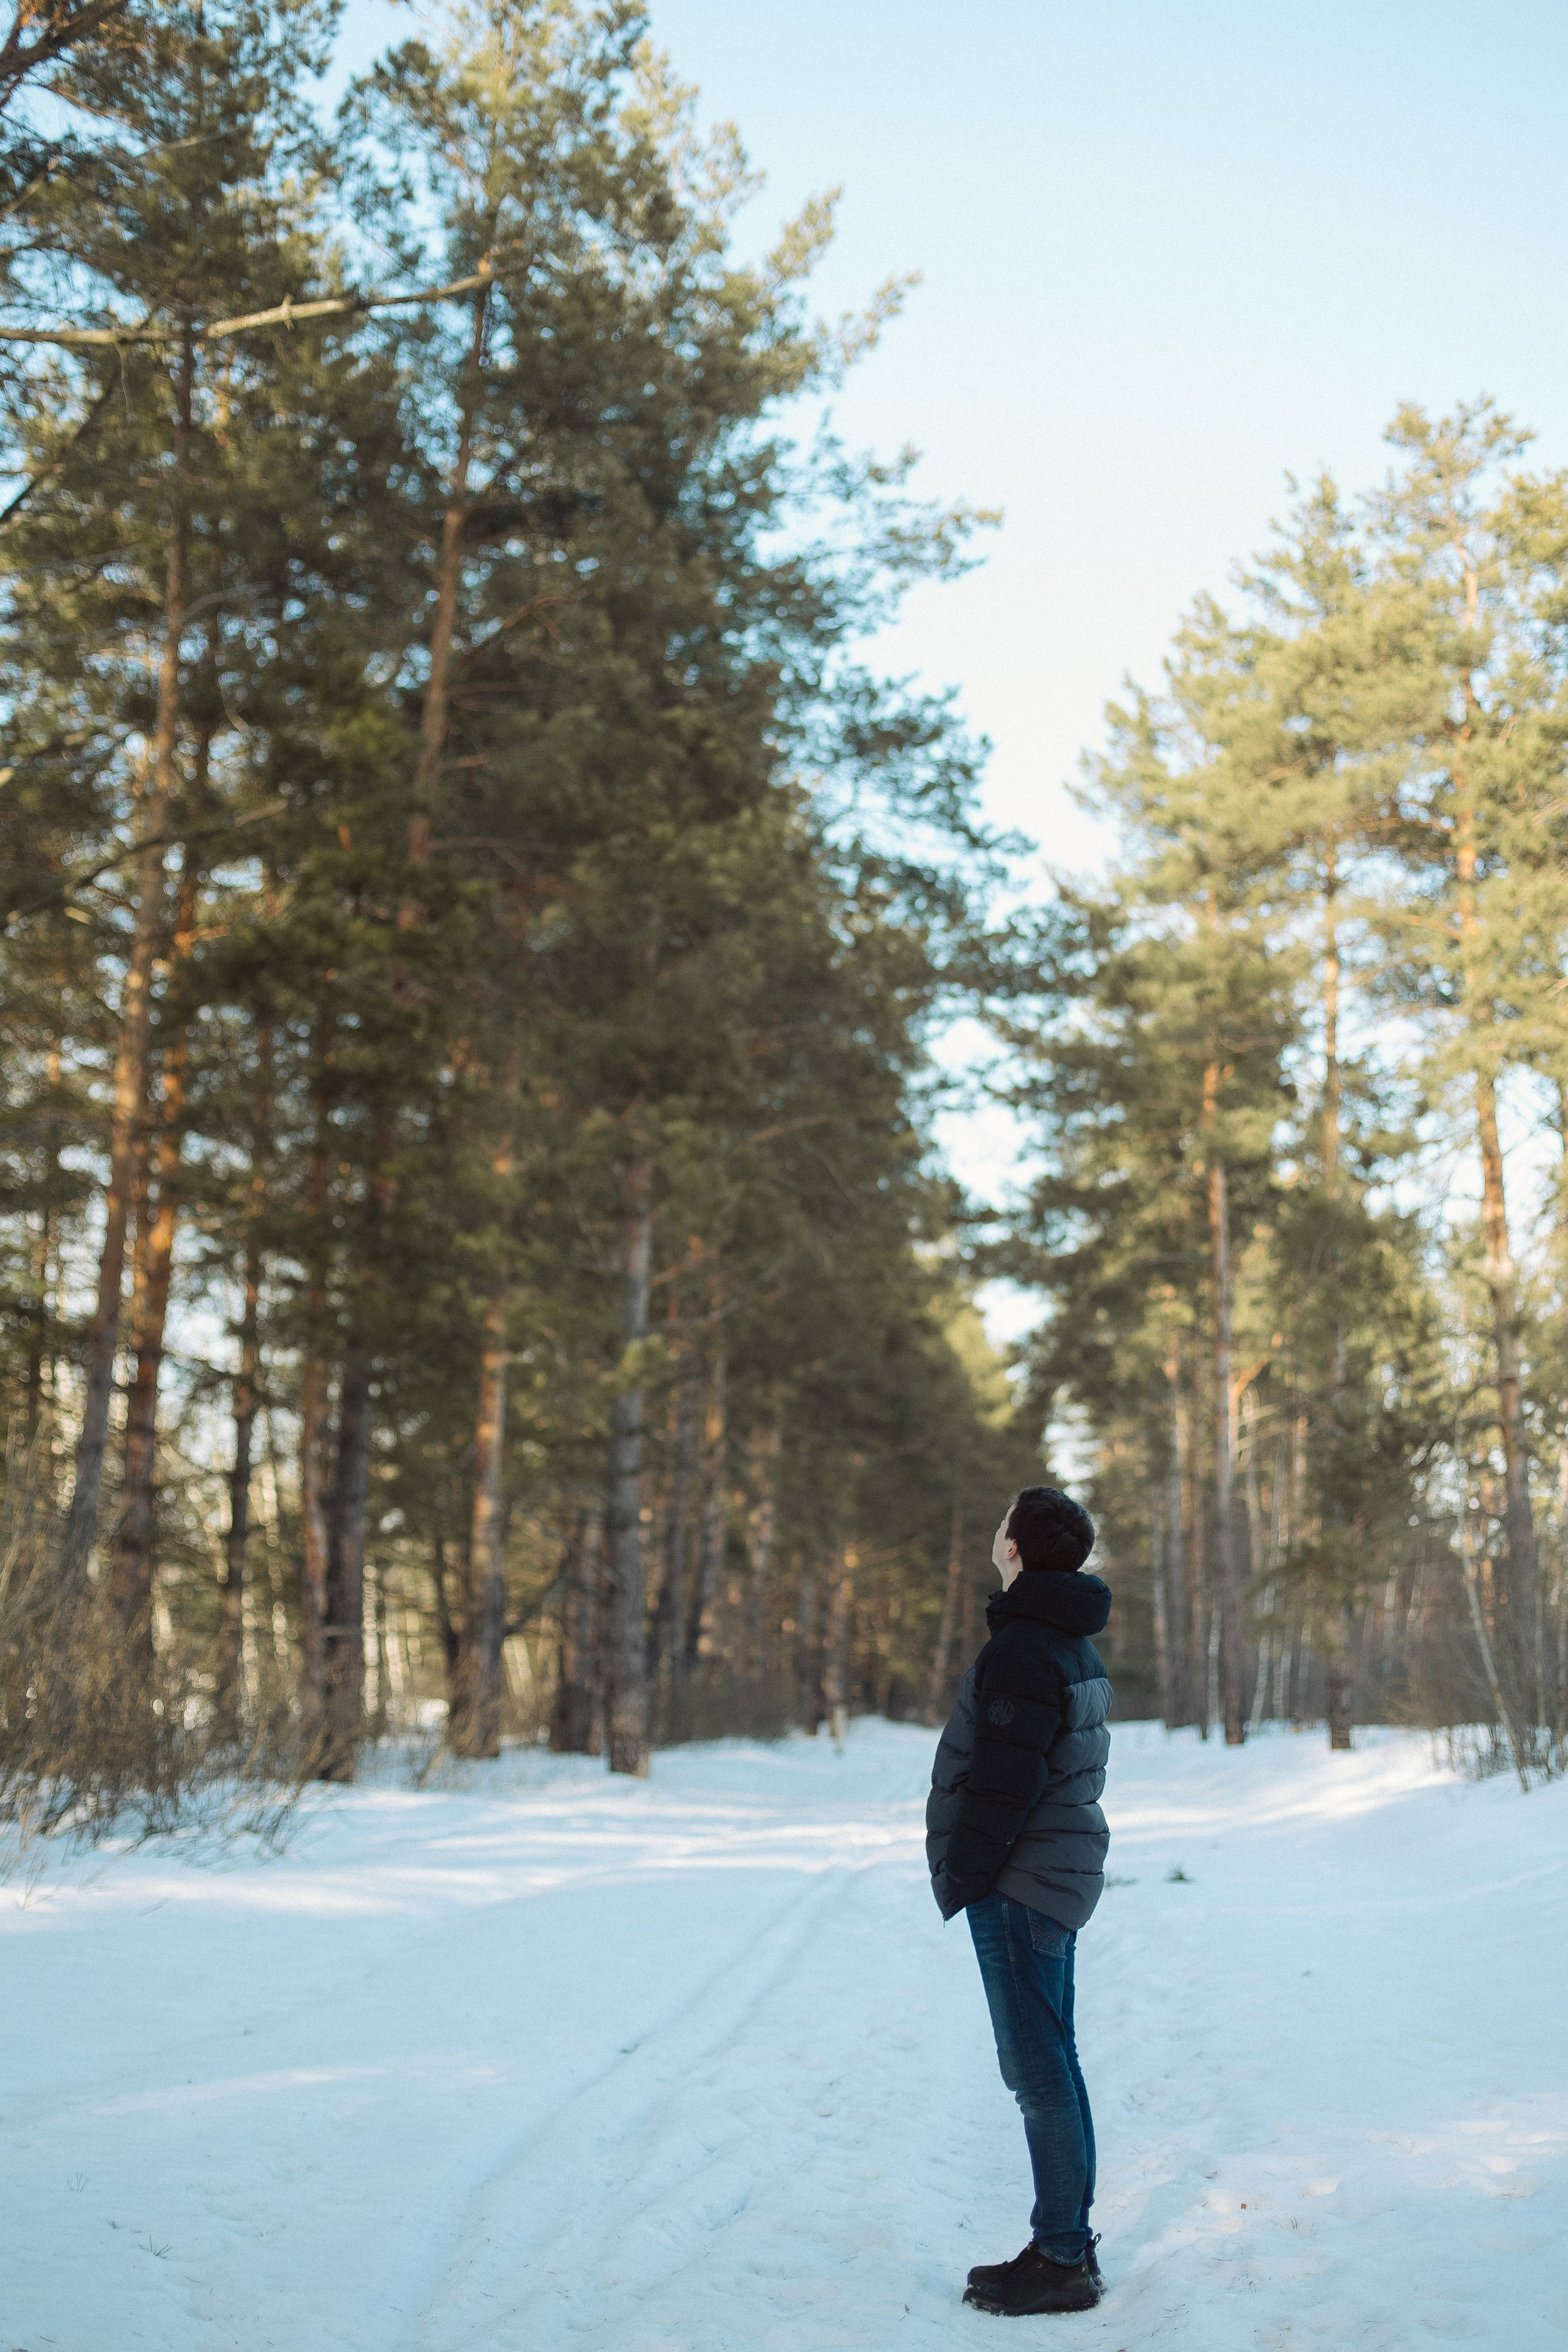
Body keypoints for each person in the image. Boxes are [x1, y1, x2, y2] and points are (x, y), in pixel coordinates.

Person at [926, 1484, 1114, 2317]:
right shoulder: (1068, 1642)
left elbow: (1006, 1780)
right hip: (1051, 1877)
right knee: (1052, 2064)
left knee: (1039, 2072)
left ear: (1014, 1549)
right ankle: (1064, 2245)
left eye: (1003, 1521)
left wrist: (969, 1873)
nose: (996, 1530)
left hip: (1022, 1882)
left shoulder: (1024, 1649)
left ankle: (1062, 2257)